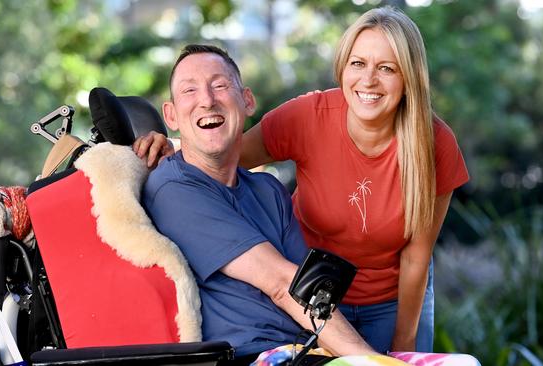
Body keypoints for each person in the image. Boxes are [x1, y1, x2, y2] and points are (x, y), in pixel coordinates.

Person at [136, 6, 469, 354]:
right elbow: (227, 150)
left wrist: (403, 352)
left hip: (389, 299)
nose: (369, 80)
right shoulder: (307, 118)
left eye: (387, 68)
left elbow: (417, 258)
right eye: (358, 64)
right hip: (309, 294)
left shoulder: (433, 144)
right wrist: (173, 144)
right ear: (342, 68)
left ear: (409, 77)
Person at [140, 44, 379, 364]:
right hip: (254, 356)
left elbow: (310, 295)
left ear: (247, 100)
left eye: (220, 85)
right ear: (171, 115)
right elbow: (282, 284)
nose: (207, 100)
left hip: (307, 351)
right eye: (190, 90)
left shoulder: (267, 189)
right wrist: (370, 360)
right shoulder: (172, 189)